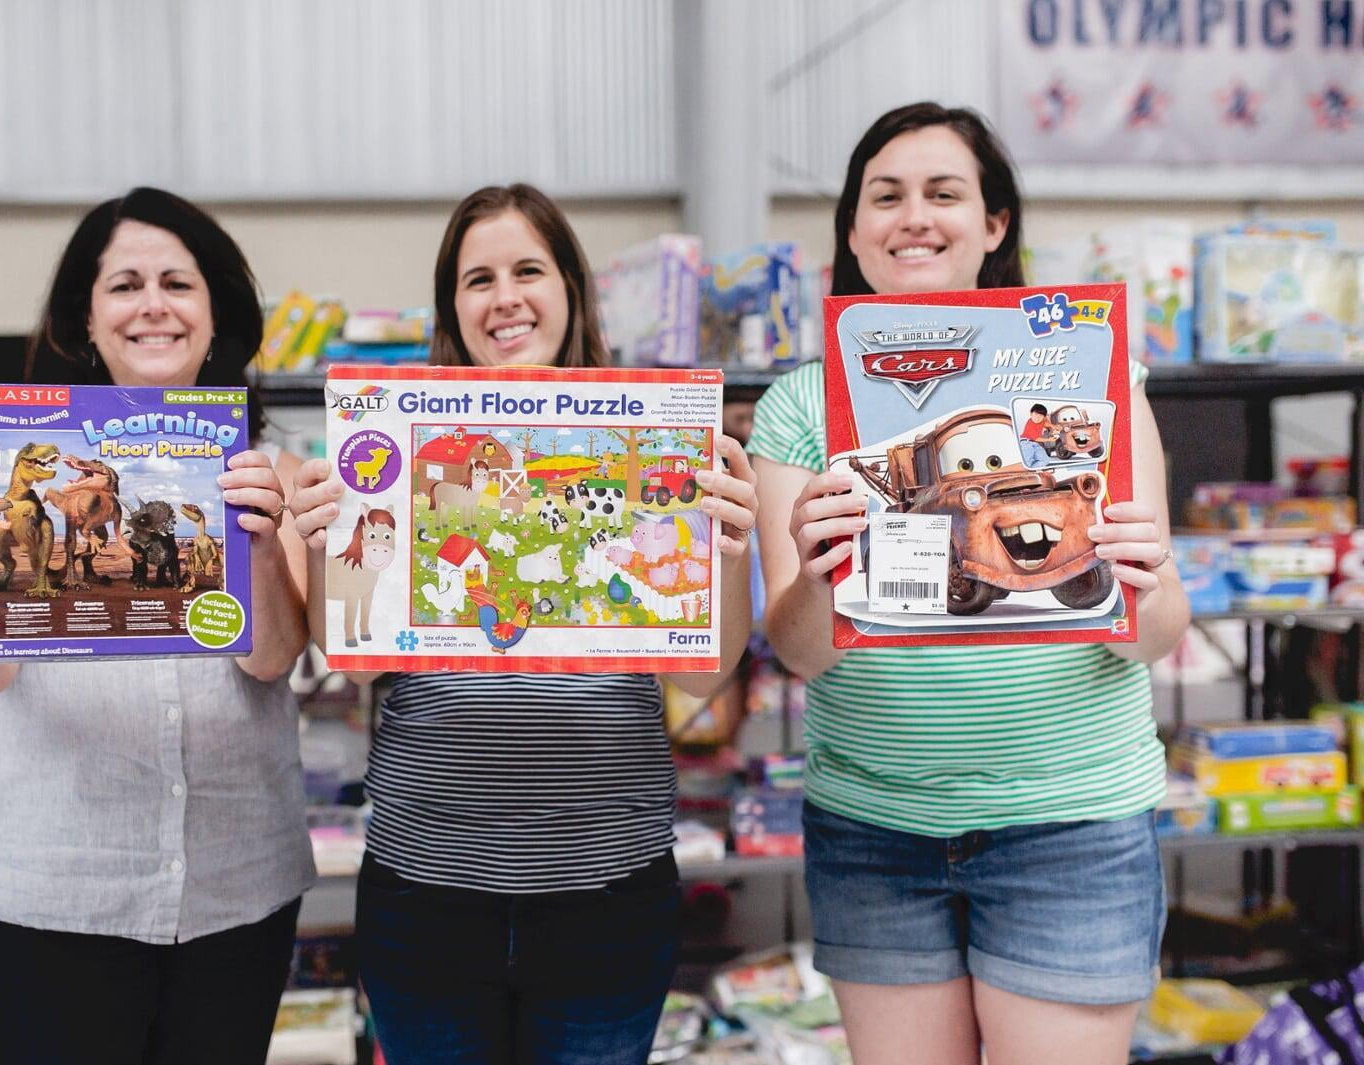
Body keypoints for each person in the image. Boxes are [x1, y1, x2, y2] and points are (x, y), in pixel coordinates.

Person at [748, 104, 1190, 1065]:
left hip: (1070, 817)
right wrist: (819, 572)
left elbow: (1155, 636)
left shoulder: (1096, 378)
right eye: (886, 196)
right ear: (853, 231)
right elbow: (797, 651)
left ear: (993, 225)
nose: (914, 217)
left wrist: (1140, 577)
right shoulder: (800, 404)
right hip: (874, 824)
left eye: (943, 193)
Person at [287, 183, 759, 1064]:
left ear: (571, 289)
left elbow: (700, 674)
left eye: (528, 270)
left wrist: (728, 554)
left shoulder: (651, 442)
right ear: (452, 307)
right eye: (479, 279)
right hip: (425, 889)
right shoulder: (399, 442)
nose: (505, 297)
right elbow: (355, 664)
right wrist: (327, 545)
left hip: (608, 892)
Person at [0, 187, 316, 1065]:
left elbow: (272, 660)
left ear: (215, 313)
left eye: (178, 283)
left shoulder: (273, 472)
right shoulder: (0, 459)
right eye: (125, 285)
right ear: (86, 322)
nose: (153, 305)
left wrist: (255, 540)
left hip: (236, 885)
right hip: (53, 887)